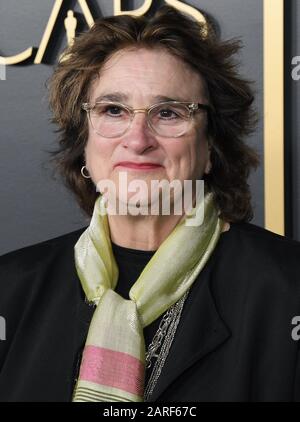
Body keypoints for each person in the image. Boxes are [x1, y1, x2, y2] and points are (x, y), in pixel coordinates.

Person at [0, 5, 299, 402]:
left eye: (170, 112)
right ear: (84, 143)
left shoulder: (288, 287)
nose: (138, 139)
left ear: (211, 146)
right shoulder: (10, 288)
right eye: (112, 110)